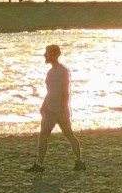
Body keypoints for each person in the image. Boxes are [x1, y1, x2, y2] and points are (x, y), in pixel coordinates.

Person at [29, 44, 84, 172]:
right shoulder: (50, 72)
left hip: (60, 110)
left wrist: (65, 108)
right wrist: (44, 105)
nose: (45, 55)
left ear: (54, 55)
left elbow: (65, 91)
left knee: (69, 134)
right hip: (49, 109)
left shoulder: (62, 71)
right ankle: (39, 164)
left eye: (47, 53)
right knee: (43, 136)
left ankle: (79, 161)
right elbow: (50, 91)